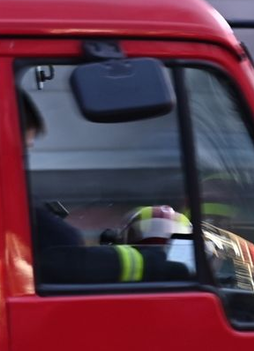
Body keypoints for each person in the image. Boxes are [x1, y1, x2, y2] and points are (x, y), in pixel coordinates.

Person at [18, 88, 191, 286]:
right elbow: (58, 263)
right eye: (22, 150)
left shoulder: (13, 200)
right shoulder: (1, 204)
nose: (23, 160)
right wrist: (155, 263)